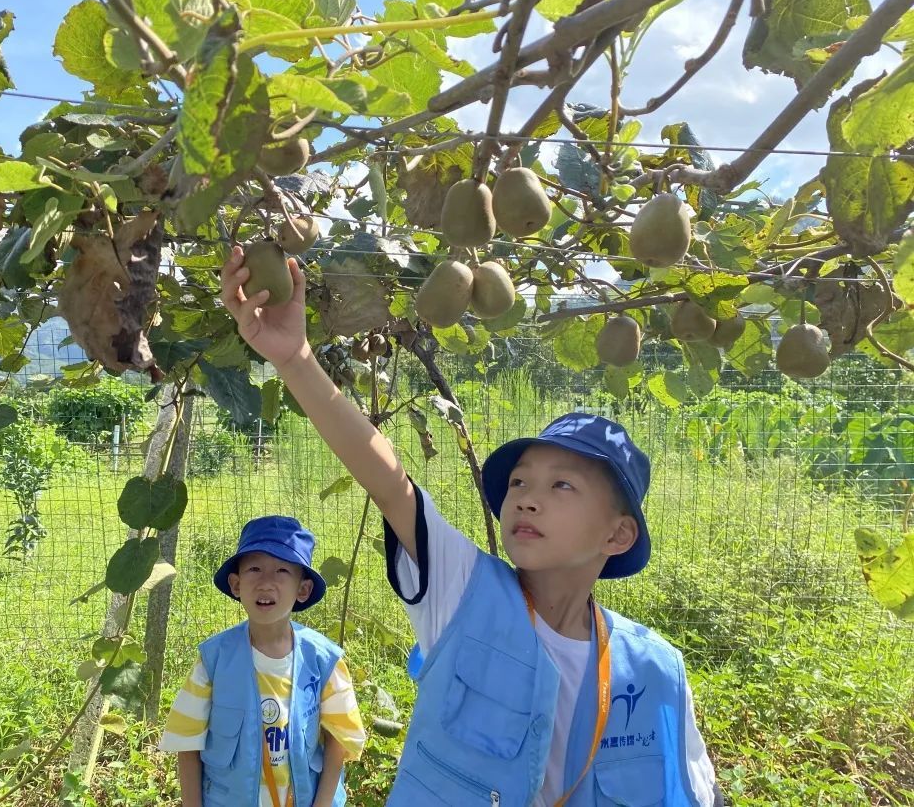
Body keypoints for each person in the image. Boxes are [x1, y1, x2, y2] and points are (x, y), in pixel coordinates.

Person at [220, 246, 724, 806]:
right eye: (518, 484)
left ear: (618, 536)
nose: (527, 500)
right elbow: (391, 485)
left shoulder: (656, 668)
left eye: (562, 486)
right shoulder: (463, 595)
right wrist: (296, 360)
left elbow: (695, 791)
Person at [159, 515, 366, 807]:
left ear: (302, 589)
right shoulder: (213, 661)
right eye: (254, 569)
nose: (266, 582)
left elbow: (338, 741)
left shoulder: (324, 661)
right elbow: (187, 745)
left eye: (282, 570)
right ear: (236, 584)